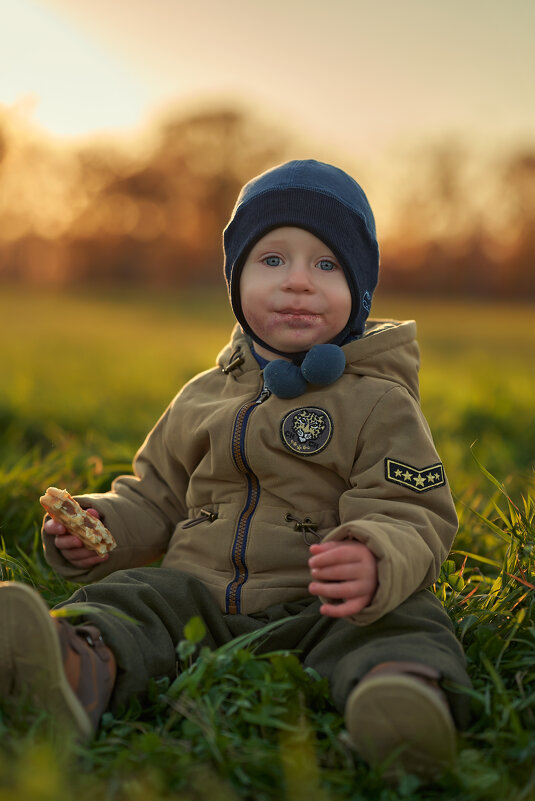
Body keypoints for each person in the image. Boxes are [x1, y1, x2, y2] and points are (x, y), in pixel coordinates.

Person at [0, 160, 471, 782]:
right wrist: (100, 523)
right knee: (130, 601)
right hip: (197, 592)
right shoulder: (202, 397)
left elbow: (411, 509)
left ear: (358, 292)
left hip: (320, 606)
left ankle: (399, 698)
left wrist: (377, 555)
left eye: (326, 265)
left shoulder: (378, 401)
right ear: (236, 279)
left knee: (406, 620)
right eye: (272, 260)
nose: (298, 282)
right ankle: (75, 670)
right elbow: (155, 494)